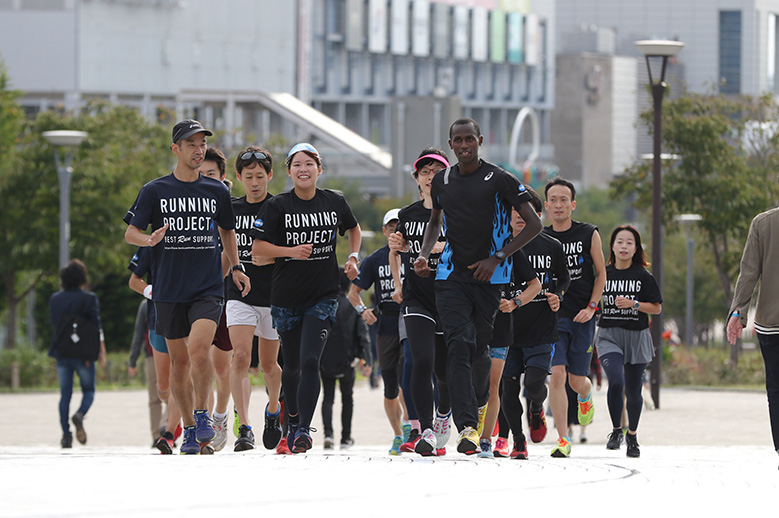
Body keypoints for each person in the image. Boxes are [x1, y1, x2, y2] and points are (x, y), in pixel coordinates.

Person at [414, 119, 542, 455]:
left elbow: (534, 223)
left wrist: (498, 258)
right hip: (450, 276)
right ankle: (468, 428)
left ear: (480, 140)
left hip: (490, 279)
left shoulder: (500, 179)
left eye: (469, 138)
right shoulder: (442, 180)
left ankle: (477, 410)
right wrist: (424, 254)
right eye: (457, 140)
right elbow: (435, 221)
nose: (464, 144)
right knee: (459, 344)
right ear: (451, 143)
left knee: (479, 352)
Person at [124, 119, 250, 455]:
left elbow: (227, 232)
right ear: (175, 149)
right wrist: (148, 239)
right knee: (178, 365)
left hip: (208, 287)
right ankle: (191, 431)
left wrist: (235, 266)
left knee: (198, 351)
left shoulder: (217, 191)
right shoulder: (154, 191)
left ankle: (200, 414)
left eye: (201, 145)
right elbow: (130, 232)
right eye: (191, 144)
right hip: (167, 290)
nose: (198, 150)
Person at [251, 142, 361, 453]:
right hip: (285, 298)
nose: (303, 169)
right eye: (297, 164)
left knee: (312, 360)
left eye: (309, 164)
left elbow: (353, 229)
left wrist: (353, 257)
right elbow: (257, 248)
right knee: (294, 366)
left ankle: (302, 430)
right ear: (288, 172)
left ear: (319, 169)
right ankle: (290, 419)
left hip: (323, 295)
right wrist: (290, 252)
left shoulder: (334, 201)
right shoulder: (277, 206)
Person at [388, 148, 453, 456]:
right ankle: (424, 429)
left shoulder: (457, 212)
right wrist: (396, 244)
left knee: (445, 371)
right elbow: (397, 248)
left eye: (436, 171)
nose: (430, 177)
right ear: (416, 179)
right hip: (417, 299)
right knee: (421, 361)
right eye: (425, 172)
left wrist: (445, 246)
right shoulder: (408, 214)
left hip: (451, 298)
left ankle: (443, 414)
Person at [225, 146, 283, 452]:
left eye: (260, 176)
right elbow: (223, 250)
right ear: (239, 177)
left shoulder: (280, 208)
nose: (255, 182)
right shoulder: (231, 209)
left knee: (270, 365)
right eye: (249, 177)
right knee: (242, 357)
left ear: (270, 176)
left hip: (273, 296)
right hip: (239, 294)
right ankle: (244, 427)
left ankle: (273, 410)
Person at [543, 177, 606, 457]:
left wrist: (592, 306)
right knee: (556, 375)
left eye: (563, 200)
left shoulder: (588, 233)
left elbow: (602, 274)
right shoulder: (540, 237)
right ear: (546, 206)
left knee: (575, 380)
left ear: (573, 204)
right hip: (554, 317)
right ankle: (563, 439)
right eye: (553, 200)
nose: (558, 205)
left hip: (583, 316)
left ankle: (585, 393)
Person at [597, 225, 662, 458]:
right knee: (615, 382)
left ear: (636, 248)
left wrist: (634, 304)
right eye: (620, 242)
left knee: (634, 392)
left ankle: (632, 436)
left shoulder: (643, 276)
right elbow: (592, 300)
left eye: (629, 243)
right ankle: (616, 431)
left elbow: (656, 307)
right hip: (608, 336)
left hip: (637, 336)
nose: (624, 246)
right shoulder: (602, 274)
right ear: (612, 246)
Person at [349, 208, 407, 455]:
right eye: (391, 227)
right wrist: (363, 311)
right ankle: (397, 434)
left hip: (413, 322)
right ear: (384, 230)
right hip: (386, 325)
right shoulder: (375, 259)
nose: (395, 231)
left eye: (399, 226)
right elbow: (353, 293)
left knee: (411, 377)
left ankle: (412, 426)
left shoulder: (416, 255)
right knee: (391, 385)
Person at [727, 204, 779, 466]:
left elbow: (748, 272)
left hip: (770, 322)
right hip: (770, 325)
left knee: (776, 389)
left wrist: (738, 311)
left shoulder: (763, 222)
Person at [198, 147, 235, 452]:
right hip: (196, 296)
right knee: (200, 363)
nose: (205, 179)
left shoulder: (229, 208)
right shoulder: (190, 208)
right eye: (201, 174)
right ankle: (201, 426)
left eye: (211, 174)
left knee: (221, 367)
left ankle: (220, 416)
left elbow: (230, 250)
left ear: (224, 179)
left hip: (223, 293)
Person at [128, 246, 183, 454]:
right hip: (157, 320)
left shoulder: (192, 237)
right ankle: (175, 419)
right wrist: (152, 291)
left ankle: (171, 430)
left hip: (184, 315)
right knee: (162, 388)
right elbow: (133, 280)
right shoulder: (150, 245)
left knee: (181, 374)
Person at [48, 259, 107, 448]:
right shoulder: (89, 298)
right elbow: (96, 326)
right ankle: (80, 414)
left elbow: (55, 325)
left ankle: (66, 435)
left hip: (62, 352)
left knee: (65, 394)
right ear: (82, 277)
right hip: (84, 353)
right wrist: (100, 351)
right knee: (88, 390)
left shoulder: (55, 299)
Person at [321, 272, 373, 449]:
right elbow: (362, 334)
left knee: (328, 397)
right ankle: (346, 437)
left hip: (325, 359)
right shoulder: (353, 306)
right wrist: (366, 358)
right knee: (347, 398)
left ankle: (328, 434)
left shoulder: (324, 305)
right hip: (348, 359)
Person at [127, 299, 165, 447]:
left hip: (173, 354)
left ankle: (167, 428)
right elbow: (138, 333)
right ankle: (157, 435)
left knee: (175, 392)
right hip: (151, 356)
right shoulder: (145, 305)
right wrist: (132, 361)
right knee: (154, 396)